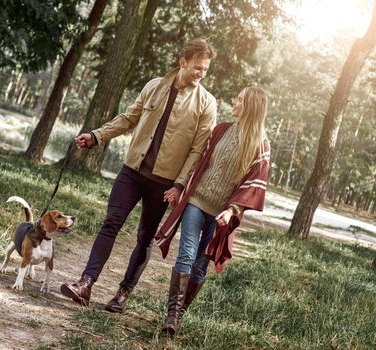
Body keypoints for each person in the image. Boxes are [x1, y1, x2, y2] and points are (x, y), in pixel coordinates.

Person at [60, 39, 218, 312]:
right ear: (183, 62)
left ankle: (122, 293)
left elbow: (197, 151)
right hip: (132, 171)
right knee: (110, 224)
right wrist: (96, 136)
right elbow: (128, 118)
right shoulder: (154, 86)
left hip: (164, 183)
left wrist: (180, 185)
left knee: (145, 238)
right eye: (197, 67)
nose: (201, 73)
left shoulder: (206, 104)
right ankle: (86, 283)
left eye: (205, 70)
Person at [154, 86, 270, 335]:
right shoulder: (220, 131)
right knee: (185, 254)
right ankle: (172, 318)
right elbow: (197, 162)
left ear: (250, 106)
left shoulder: (261, 145)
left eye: (239, 100)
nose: (234, 102)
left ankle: (180, 314)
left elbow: (254, 184)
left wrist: (232, 210)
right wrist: (179, 187)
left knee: (200, 266)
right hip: (197, 201)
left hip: (221, 216)